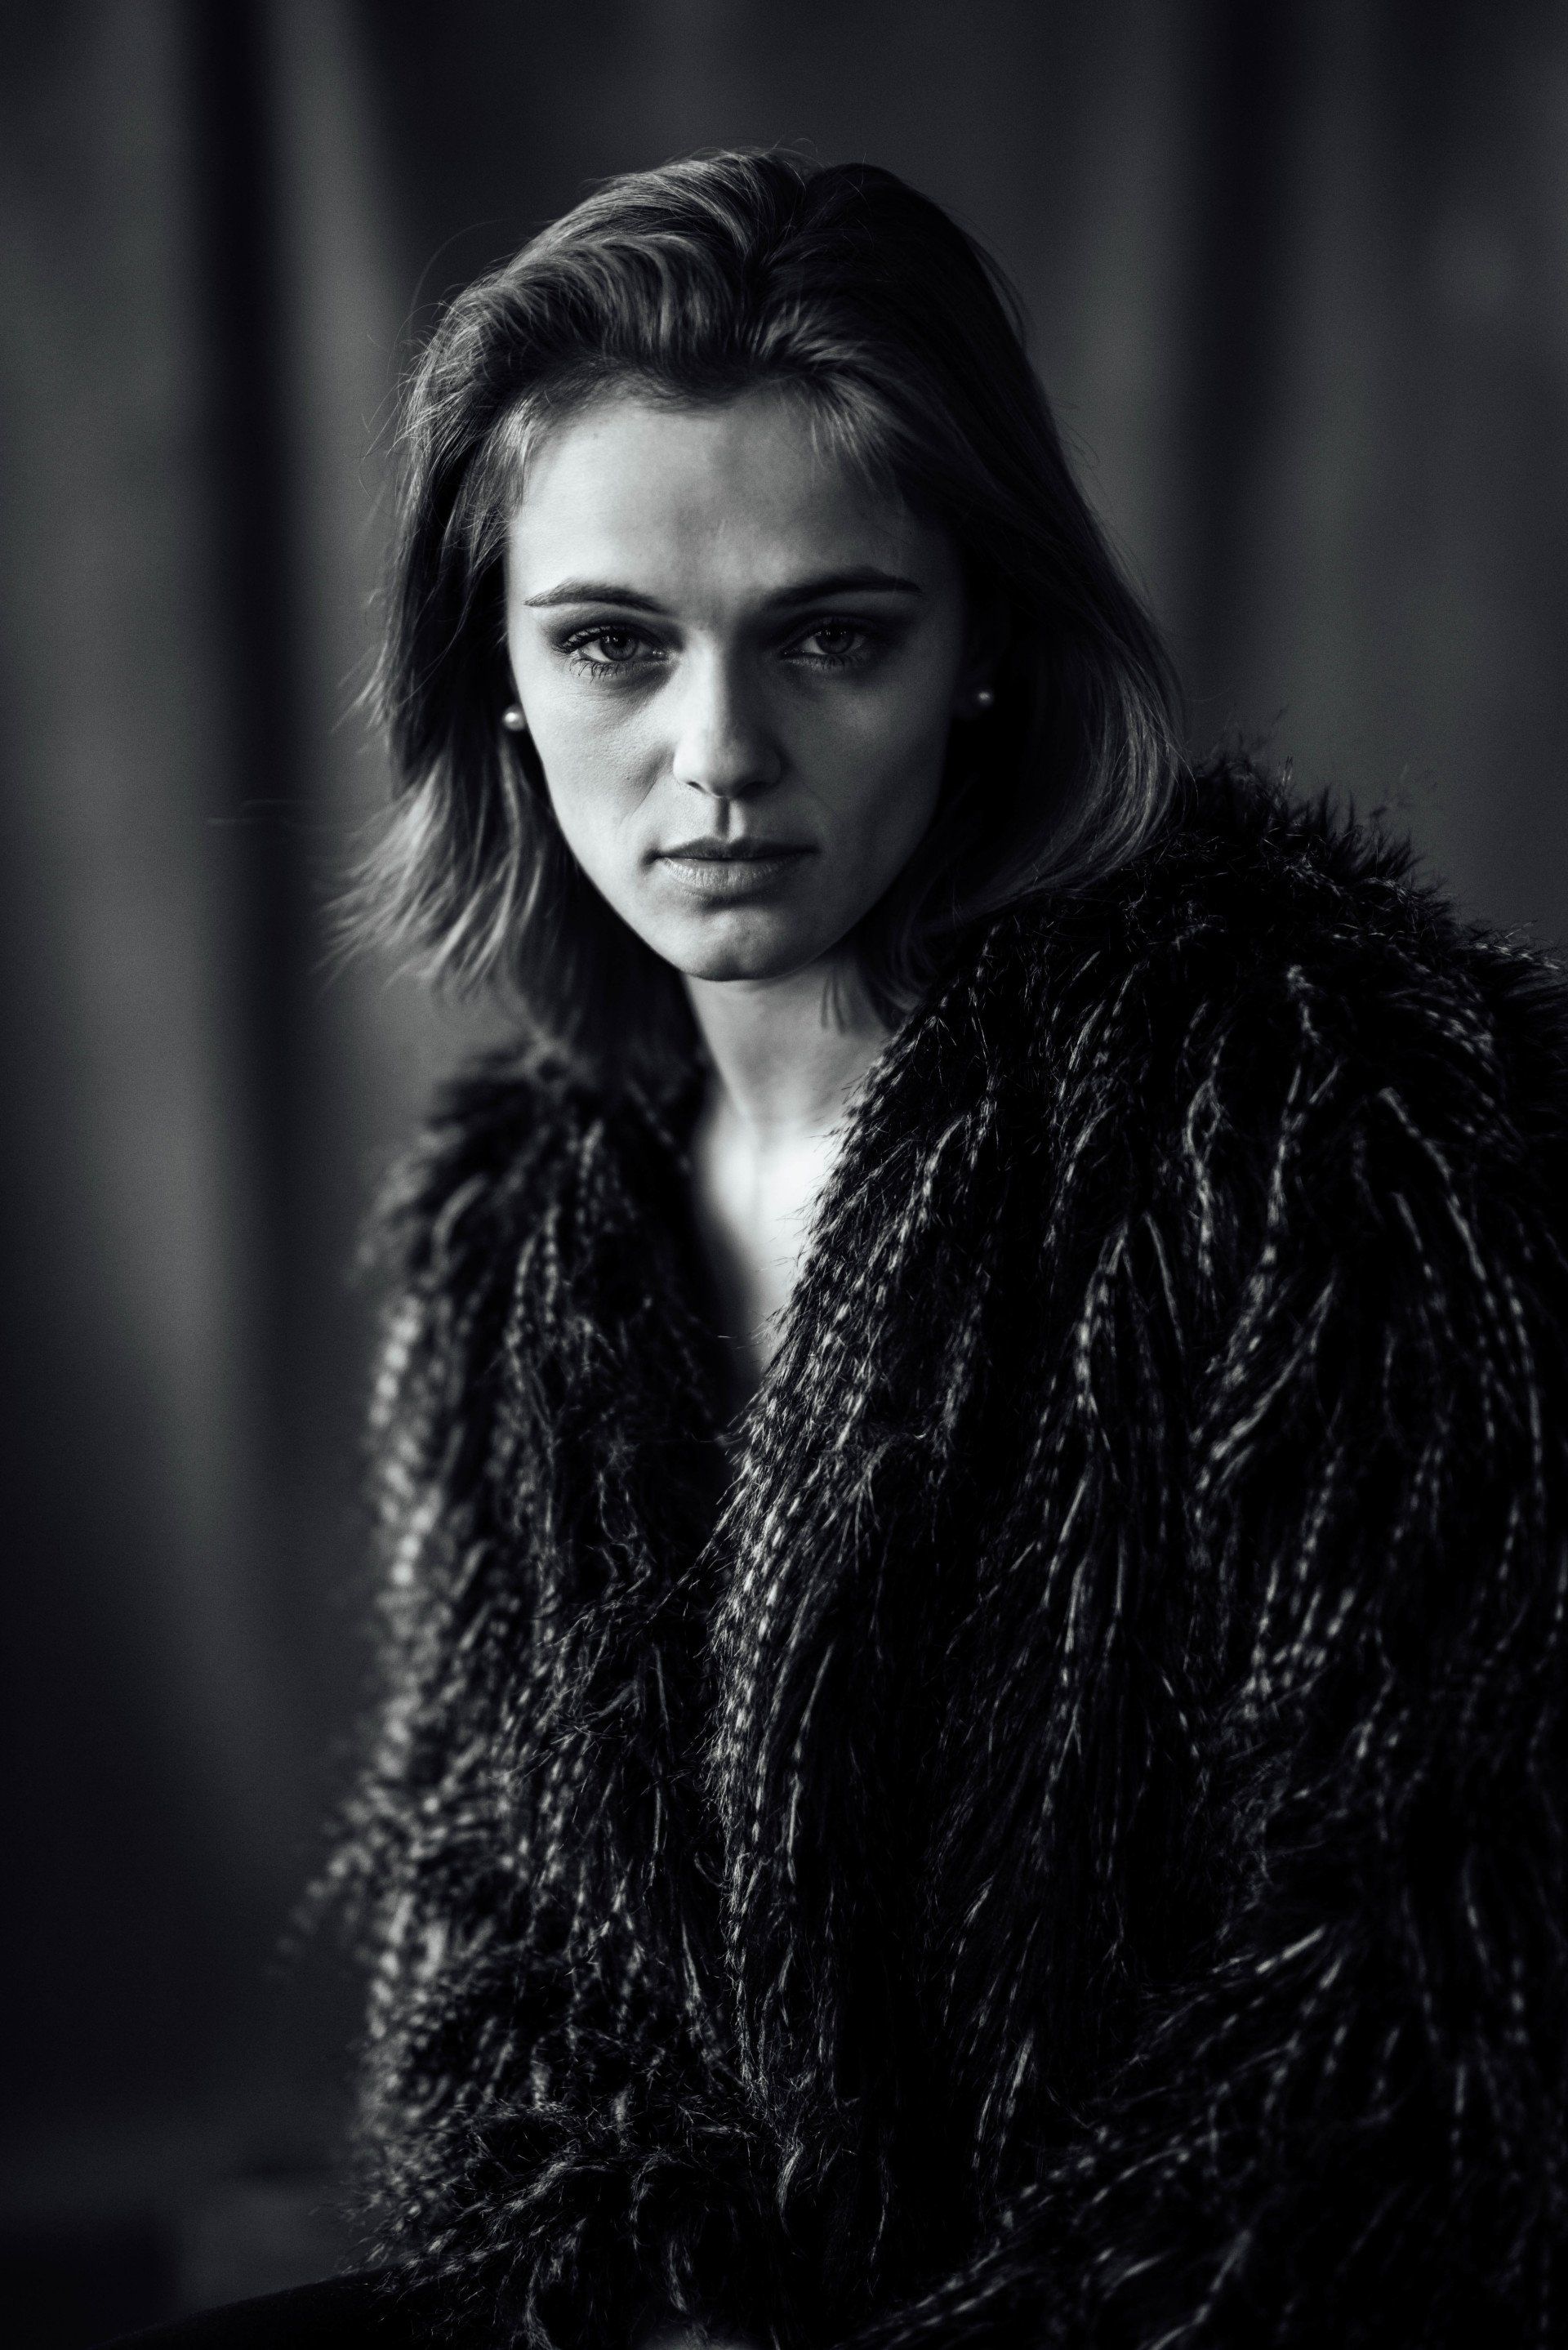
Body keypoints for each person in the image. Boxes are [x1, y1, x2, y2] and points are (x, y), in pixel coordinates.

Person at [112, 149, 1568, 2348]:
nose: (718, 759)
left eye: (833, 636)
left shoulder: (1326, 1132)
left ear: (983, 650)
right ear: (497, 676)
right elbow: (509, 1992)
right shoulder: (521, 1235)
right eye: (613, 644)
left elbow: (1426, 2000)